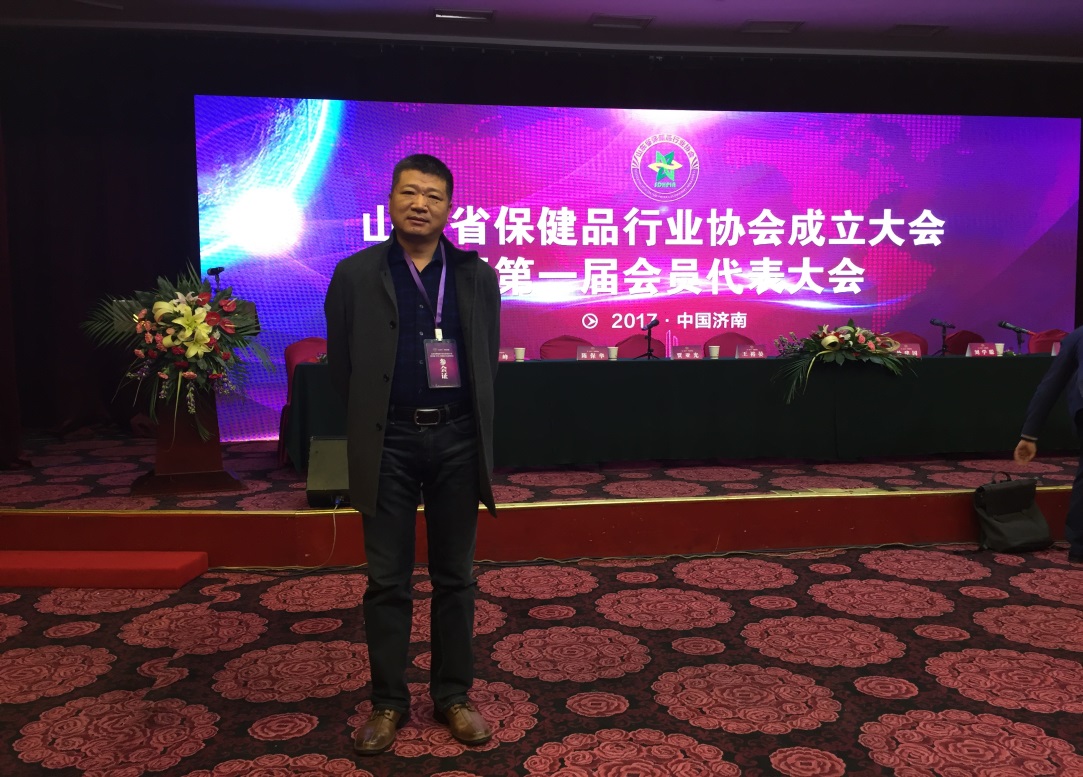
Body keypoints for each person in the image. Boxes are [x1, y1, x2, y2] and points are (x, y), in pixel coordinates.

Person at [324, 154, 501, 755]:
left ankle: (453, 696)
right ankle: (387, 703)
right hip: (389, 442)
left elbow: (485, 361)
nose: (420, 204)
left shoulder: (475, 276)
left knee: (456, 578)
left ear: (449, 208)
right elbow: (343, 368)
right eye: (409, 192)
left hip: (456, 440)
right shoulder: (355, 274)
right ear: (391, 200)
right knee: (386, 580)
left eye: (433, 195)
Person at [1014, 327, 1083, 564]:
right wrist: (1029, 434)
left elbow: (1051, 384)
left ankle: (1080, 546)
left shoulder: (1078, 336)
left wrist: (1029, 434)